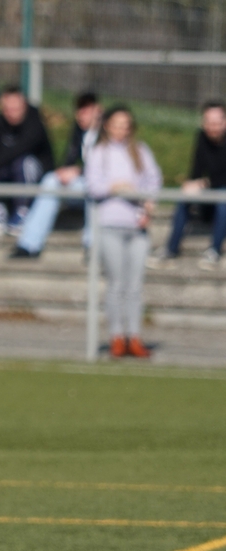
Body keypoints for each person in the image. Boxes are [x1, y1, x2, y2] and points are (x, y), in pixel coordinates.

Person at [85, 106, 162, 359]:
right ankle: (117, 336)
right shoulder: (100, 153)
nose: (121, 129)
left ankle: (135, 336)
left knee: (135, 285)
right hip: (110, 225)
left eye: (125, 125)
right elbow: (93, 186)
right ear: (107, 125)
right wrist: (115, 187)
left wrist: (148, 203)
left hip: (136, 226)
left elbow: (154, 179)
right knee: (116, 284)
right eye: (116, 124)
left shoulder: (140, 151)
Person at [10, 92, 102, 259]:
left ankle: (92, 246)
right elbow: (69, 160)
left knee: (94, 189)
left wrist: (79, 171)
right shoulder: (79, 133)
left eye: (87, 110)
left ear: (99, 111)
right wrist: (65, 172)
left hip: (101, 187)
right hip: (81, 184)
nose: (81, 115)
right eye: (79, 110)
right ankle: (29, 243)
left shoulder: (107, 134)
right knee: (50, 180)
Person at [148, 100, 226, 272]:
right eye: (209, 122)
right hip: (211, 193)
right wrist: (191, 183)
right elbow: (197, 167)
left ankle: (215, 250)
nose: (213, 127)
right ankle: (171, 249)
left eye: (217, 122)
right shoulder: (201, 137)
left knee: (223, 199)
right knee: (185, 197)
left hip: (222, 197)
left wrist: (204, 183)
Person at [0, 86, 54, 236]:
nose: (11, 113)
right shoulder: (1, 121)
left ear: (24, 105)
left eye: (16, 108)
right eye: (7, 109)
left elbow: (19, 149)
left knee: (23, 162)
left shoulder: (35, 123)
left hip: (34, 179)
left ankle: (23, 211)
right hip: (6, 173)